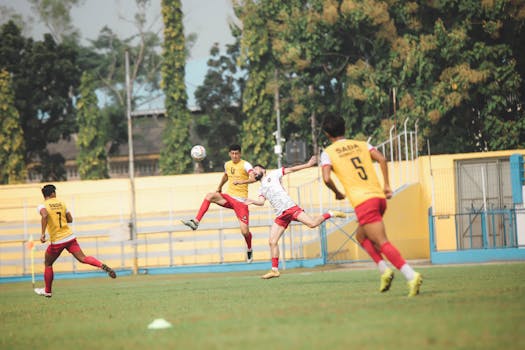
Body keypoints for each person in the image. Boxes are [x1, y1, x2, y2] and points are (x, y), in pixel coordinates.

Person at [321, 114, 422, 297]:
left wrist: (337, 192)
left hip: (363, 202)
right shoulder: (362, 144)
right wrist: (387, 185)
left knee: (381, 242)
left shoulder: (328, 152)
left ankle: (411, 275)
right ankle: (385, 270)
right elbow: (382, 159)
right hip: (378, 198)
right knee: (361, 237)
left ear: (327, 134)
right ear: (345, 128)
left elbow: (327, 178)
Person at [245, 156, 346, 279]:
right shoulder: (261, 188)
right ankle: (275, 270)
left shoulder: (274, 174)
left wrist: (308, 165)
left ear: (263, 170)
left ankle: (330, 213)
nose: (254, 172)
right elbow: (261, 202)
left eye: (255, 169)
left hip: (290, 208)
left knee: (313, 224)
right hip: (281, 215)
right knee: (272, 241)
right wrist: (252, 201)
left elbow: (291, 170)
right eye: (253, 172)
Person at [34, 184, 116, 298]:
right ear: (52, 193)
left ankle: (47, 290)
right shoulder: (62, 203)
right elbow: (70, 219)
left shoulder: (42, 205)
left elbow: (44, 215)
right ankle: (101, 265)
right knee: (83, 258)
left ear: (44, 195)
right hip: (70, 237)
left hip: (57, 240)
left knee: (48, 263)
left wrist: (43, 234)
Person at [181, 144, 257, 262]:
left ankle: (249, 249)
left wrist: (241, 181)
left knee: (245, 231)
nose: (235, 156)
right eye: (232, 153)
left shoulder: (246, 165)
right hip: (228, 197)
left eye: (237, 153)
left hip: (241, 202)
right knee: (209, 196)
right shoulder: (227, 164)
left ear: (240, 154)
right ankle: (196, 221)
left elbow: (253, 178)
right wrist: (219, 188)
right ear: (229, 154)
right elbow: (226, 176)